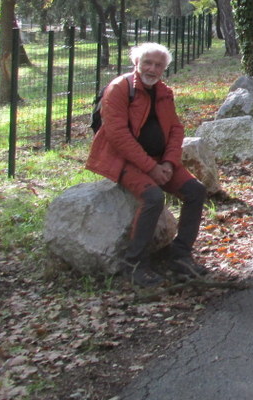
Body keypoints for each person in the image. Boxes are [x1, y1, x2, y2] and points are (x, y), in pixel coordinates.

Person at [86, 42, 208, 288]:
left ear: (164, 68)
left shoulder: (164, 91)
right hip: (123, 160)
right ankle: (135, 264)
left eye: (158, 65)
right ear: (137, 64)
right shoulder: (119, 89)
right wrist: (151, 168)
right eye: (148, 63)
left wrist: (169, 163)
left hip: (159, 160)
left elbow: (175, 128)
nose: (152, 69)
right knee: (153, 197)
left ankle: (180, 256)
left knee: (196, 191)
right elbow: (118, 135)